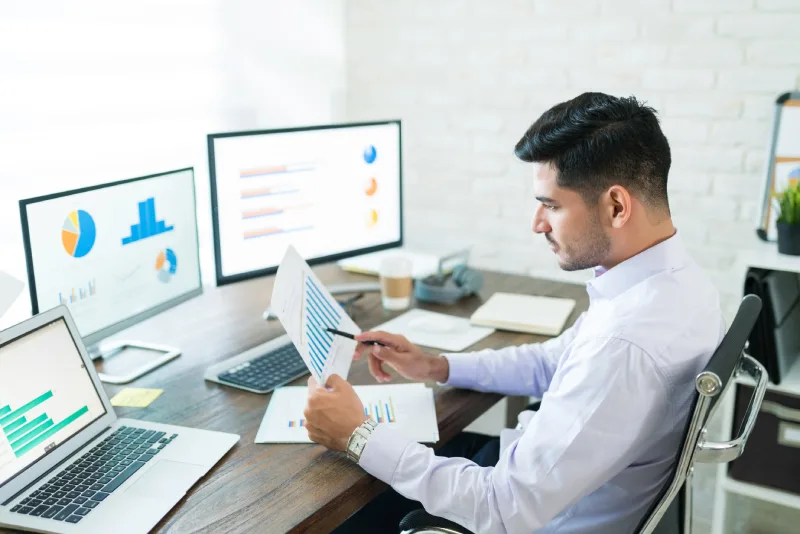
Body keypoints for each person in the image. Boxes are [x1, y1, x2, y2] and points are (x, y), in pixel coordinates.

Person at [303, 92, 725, 533]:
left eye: (551, 205)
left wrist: (358, 434)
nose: (537, 224)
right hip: (542, 484)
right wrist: (435, 364)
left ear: (616, 206)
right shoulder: (676, 282)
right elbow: (553, 362)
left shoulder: (624, 343)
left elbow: (500, 509)